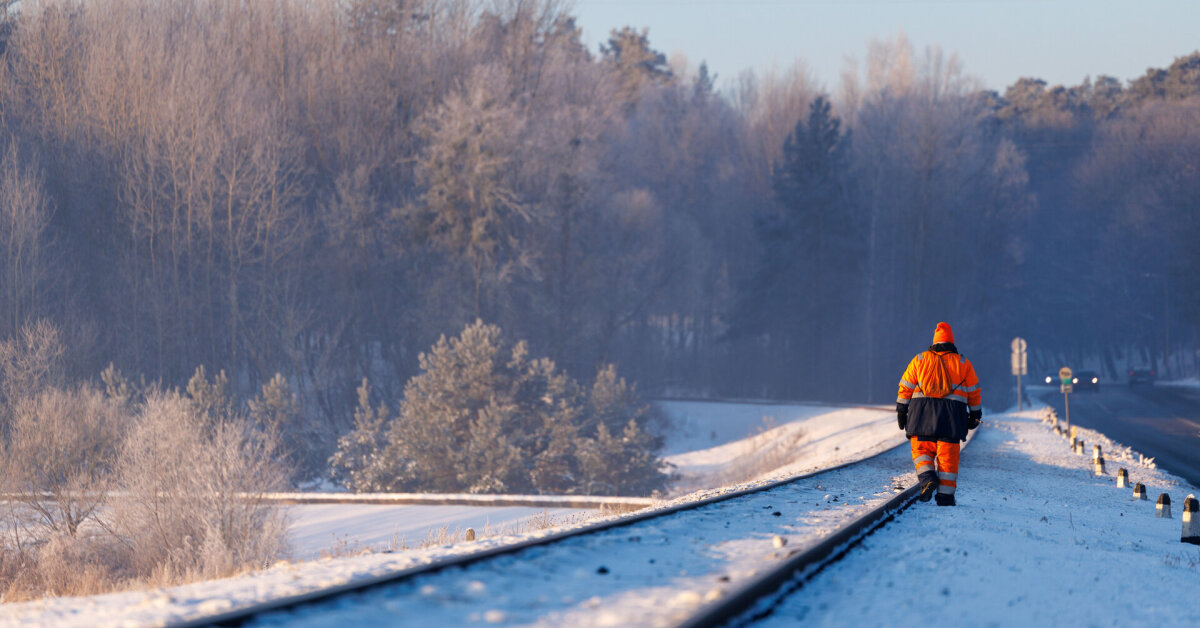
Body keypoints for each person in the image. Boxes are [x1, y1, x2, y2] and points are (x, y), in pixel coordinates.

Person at [896, 322, 981, 506]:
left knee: (921, 451)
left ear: (934, 342)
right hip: (951, 420)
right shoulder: (963, 363)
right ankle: (945, 498)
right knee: (948, 459)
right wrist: (975, 414)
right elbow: (974, 392)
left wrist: (902, 410)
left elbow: (905, 387)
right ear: (951, 342)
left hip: (921, 417)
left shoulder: (919, 360)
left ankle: (928, 478)